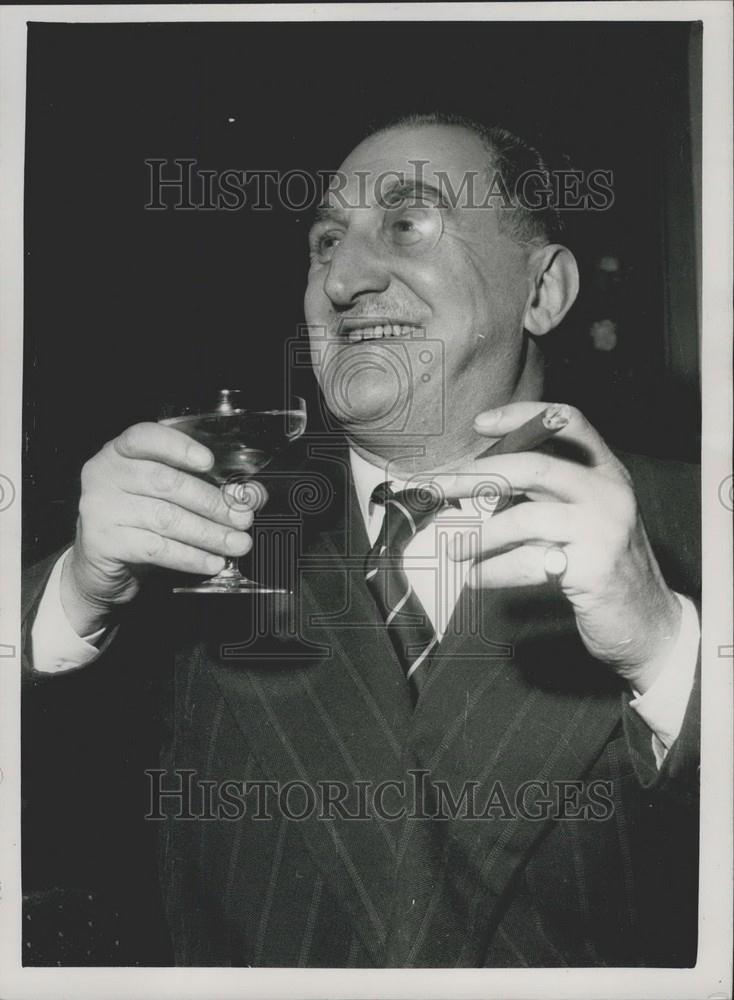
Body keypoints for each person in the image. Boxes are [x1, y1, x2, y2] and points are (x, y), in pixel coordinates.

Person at [22, 113, 700, 967]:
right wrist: (74, 597)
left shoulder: (699, 532)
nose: (341, 280)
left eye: (406, 225)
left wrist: (669, 653)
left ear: (543, 293)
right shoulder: (202, 535)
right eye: (324, 242)